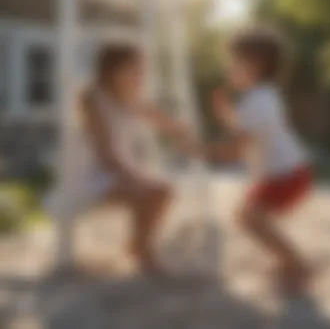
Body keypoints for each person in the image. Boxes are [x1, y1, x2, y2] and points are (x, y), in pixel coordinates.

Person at [46, 44, 192, 275]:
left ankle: (138, 245)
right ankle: (143, 251)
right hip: (90, 174)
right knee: (153, 191)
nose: (140, 76)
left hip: (116, 168)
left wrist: (180, 130)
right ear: (113, 71)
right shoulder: (94, 99)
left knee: (162, 191)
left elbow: (158, 119)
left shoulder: (130, 98)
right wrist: (134, 177)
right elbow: (105, 153)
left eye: (142, 70)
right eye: (134, 69)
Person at [207, 28, 313, 293]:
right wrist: (226, 115)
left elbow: (239, 146)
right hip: (284, 172)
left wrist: (205, 151)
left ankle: (297, 265)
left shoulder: (258, 100)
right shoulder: (261, 96)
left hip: (285, 175)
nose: (228, 68)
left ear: (255, 65)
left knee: (250, 219)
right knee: (248, 218)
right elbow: (247, 130)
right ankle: (290, 262)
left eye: (233, 61)